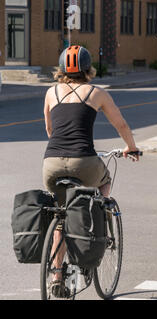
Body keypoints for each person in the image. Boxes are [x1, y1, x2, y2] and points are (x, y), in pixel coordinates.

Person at [43, 45, 139, 297]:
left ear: (61, 69)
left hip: (51, 162)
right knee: (104, 180)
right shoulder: (97, 93)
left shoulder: (51, 92)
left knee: (60, 217)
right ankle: (102, 214)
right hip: (83, 160)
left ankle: (56, 274)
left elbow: (50, 131)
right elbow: (121, 124)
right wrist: (132, 148)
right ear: (88, 69)